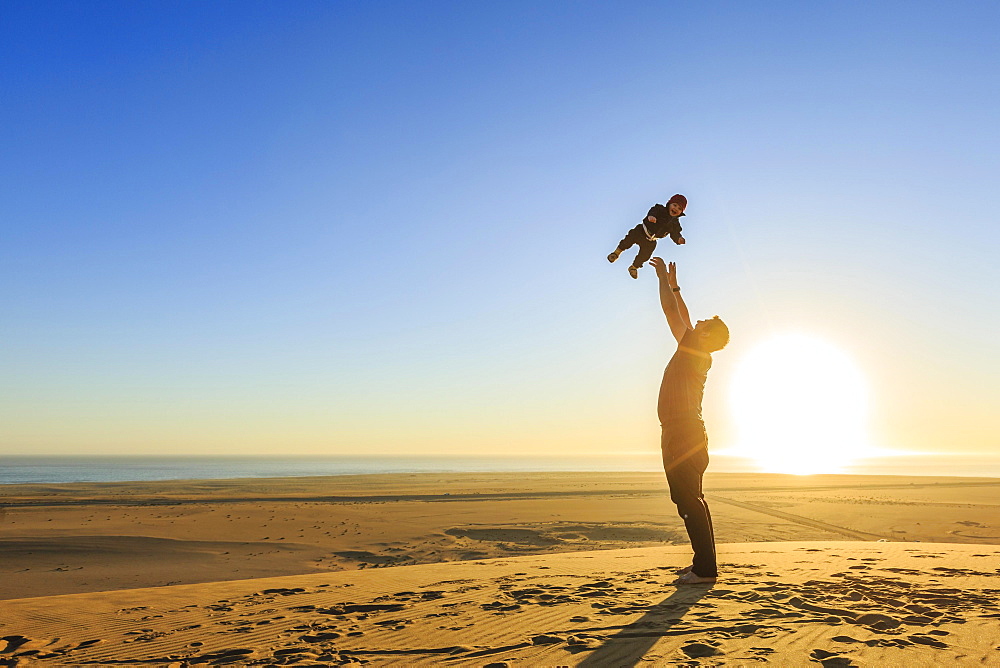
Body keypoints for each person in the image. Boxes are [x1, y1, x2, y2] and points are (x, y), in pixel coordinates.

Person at [650, 256, 729, 585]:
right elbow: (681, 316)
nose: (696, 322)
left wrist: (662, 281)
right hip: (685, 432)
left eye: (703, 324)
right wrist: (675, 286)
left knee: (688, 500)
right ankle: (703, 565)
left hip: (683, 433)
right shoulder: (695, 350)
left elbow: (672, 314)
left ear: (707, 336)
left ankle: (705, 570)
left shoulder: (696, 351)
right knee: (688, 498)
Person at [608, 194, 688, 279]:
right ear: (669, 204)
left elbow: (675, 233)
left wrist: (678, 239)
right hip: (641, 231)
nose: (676, 209)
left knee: (645, 255)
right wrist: (651, 216)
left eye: (679, 209)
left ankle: (634, 267)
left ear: (681, 213)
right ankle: (616, 253)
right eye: (674, 205)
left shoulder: (675, 224)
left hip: (651, 240)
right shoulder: (660, 209)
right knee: (628, 240)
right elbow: (653, 210)